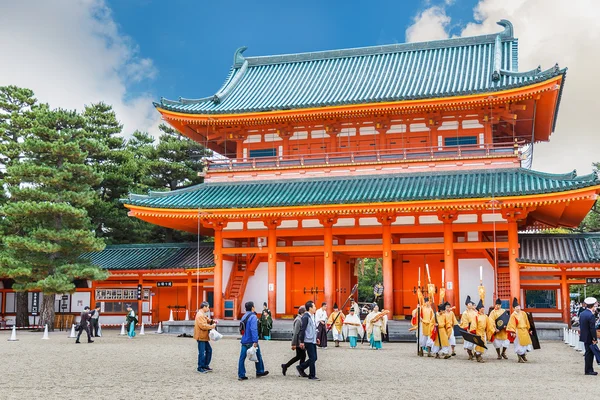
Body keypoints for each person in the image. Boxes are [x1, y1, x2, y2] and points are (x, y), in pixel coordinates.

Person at [238, 301, 269, 381]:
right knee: (258, 355)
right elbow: (254, 329)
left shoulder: (244, 316)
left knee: (242, 358)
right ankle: (259, 370)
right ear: (252, 307)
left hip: (244, 339)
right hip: (251, 340)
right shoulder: (253, 316)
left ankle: (241, 374)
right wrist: (255, 341)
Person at [297, 300, 320, 380]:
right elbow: (302, 330)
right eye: (314, 306)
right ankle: (312, 374)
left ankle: (301, 367)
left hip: (312, 339)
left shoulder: (311, 316)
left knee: (314, 357)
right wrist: (302, 341)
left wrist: (316, 338)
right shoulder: (306, 317)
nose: (315, 308)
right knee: (312, 357)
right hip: (308, 340)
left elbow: (313, 329)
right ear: (310, 308)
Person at [506, 298, 533, 363]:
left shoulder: (523, 313)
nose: (518, 308)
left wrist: (529, 329)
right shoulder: (513, 315)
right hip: (518, 331)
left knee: (526, 344)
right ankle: (519, 357)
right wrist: (513, 332)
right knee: (519, 345)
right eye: (516, 307)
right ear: (514, 308)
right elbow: (511, 324)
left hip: (524, 330)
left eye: (518, 306)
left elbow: (527, 322)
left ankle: (523, 355)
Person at [282, 306, 306, 376]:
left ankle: (286, 366)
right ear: (303, 312)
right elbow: (296, 332)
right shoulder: (298, 320)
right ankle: (300, 370)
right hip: (298, 341)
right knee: (302, 356)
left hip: (299, 341)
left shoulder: (300, 319)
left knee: (299, 356)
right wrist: (293, 344)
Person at [194, 301, 216, 374]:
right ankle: (200, 367)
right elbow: (203, 326)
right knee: (202, 352)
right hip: (201, 336)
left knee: (208, 350)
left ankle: (205, 365)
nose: (208, 309)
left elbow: (207, 319)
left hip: (203, 336)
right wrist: (212, 326)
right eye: (208, 307)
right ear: (204, 307)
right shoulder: (200, 315)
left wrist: (212, 321)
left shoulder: (201, 314)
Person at [579, 297, 598, 376]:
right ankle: (589, 370)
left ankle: (588, 369)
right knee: (590, 353)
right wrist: (594, 338)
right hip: (590, 336)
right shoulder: (591, 315)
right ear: (593, 306)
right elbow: (592, 328)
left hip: (584, 335)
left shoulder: (582, 314)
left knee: (588, 353)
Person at [460, 295, 477, 360]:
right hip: (469, 328)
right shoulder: (465, 313)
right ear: (466, 305)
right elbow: (465, 321)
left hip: (475, 328)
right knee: (469, 343)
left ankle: (476, 353)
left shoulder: (475, 312)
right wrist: (467, 328)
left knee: (475, 342)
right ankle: (470, 354)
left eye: (471, 304)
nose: (470, 305)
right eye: (469, 304)